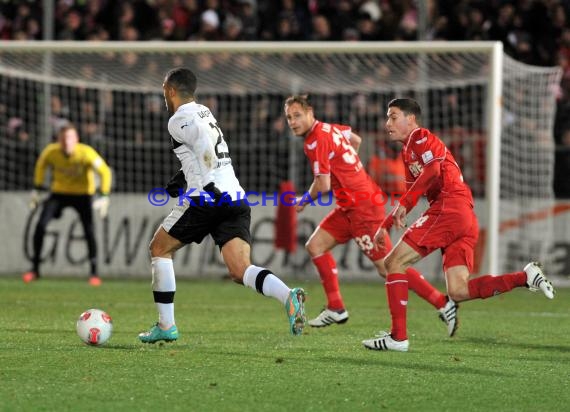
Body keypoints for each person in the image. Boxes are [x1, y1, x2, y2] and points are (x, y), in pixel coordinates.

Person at [363, 98, 556, 352]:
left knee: (393, 263)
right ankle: (526, 276)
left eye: (393, 116)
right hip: (463, 214)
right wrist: (386, 224)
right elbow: (411, 193)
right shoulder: (407, 152)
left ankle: (398, 337)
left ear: (410, 119)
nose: (387, 123)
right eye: (388, 117)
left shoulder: (420, 137)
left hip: (449, 207)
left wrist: (401, 208)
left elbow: (432, 171)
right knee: (458, 290)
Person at [138, 67, 306, 343]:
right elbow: (208, 150)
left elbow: (204, 144)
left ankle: (166, 325)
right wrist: (181, 178)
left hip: (207, 197)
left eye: (163, 89)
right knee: (240, 270)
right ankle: (288, 296)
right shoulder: (204, 111)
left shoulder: (178, 118)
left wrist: (204, 184)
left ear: (169, 90)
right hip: (235, 197)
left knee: (159, 248)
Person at [284, 95, 458, 334]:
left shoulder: (315, 141)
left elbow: (322, 185)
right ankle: (336, 307)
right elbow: (355, 139)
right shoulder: (330, 128)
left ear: (310, 113)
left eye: (297, 116)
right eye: (289, 118)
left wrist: (303, 201)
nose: (293, 122)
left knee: (389, 267)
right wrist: (350, 172)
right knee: (315, 245)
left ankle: (442, 302)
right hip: (349, 205)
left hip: (363, 208)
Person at [23, 124, 112, 286]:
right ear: (59, 140)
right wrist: (37, 188)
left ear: (76, 140)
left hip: (83, 195)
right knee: (41, 226)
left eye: (70, 138)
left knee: (89, 231)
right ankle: (34, 269)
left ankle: (94, 273)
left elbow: (104, 171)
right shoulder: (51, 152)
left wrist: (104, 195)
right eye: (64, 138)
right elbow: (40, 165)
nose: (67, 142)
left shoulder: (86, 153)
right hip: (59, 194)